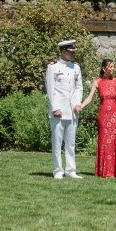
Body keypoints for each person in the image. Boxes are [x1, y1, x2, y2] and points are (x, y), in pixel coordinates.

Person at [79, 59, 116, 178]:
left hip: (115, 115)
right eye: (110, 67)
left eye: (114, 67)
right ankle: (103, 171)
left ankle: (114, 172)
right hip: (103, 115)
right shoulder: (97, 82)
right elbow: (90, 98)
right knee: (104, 141)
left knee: (114, 141)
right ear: (104, 68)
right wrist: (81, 106)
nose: (113, 69)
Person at [46, 40, 84, 180]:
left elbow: (79, 87)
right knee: (57, 142)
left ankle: (71, 169)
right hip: (59, 110)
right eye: (70, 52)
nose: (72, 54)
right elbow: (50, 89)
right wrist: (55, 108)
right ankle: (57, 170)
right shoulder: (53, 68)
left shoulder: (76, 67)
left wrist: (77, 103)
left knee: (71, 143)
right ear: (62, 52)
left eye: (73, 52)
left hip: (72, 111)